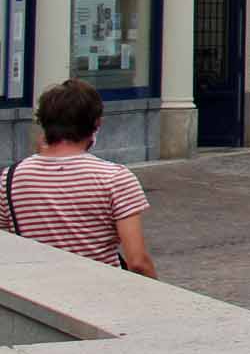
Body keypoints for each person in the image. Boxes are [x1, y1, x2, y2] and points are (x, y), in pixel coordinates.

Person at [0, 79, 156, 276]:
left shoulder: (10, 178)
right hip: (102, 291)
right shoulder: (115, 178)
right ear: (96, 123)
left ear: (43, 123)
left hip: (39, 293)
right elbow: (138, 262)